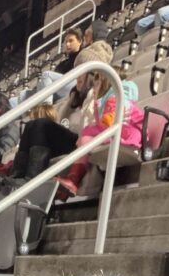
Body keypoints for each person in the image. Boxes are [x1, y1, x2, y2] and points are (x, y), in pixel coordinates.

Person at [56, 66, 143, 198]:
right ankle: (69, 184)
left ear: (106, 84)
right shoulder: (106, 100)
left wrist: (89, 132)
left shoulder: (115, 99)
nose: (94, 88)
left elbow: (110, 122)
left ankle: (73, 180)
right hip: (116, 132)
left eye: (97, 85)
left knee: (85, 139)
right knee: (85, 138)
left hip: (125, 134)